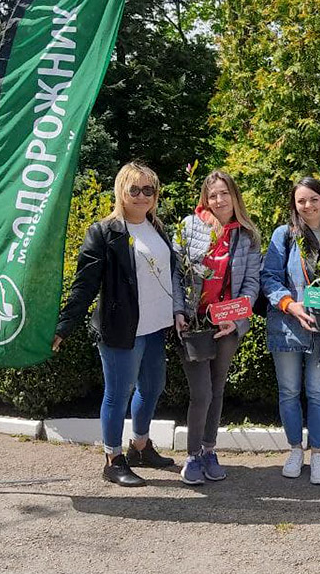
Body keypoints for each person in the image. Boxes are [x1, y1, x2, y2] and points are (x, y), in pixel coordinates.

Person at [54, 162, 185, 487]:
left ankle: (140, 446)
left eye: (148, 189)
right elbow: (84, 285)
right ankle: (112, 459)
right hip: (121, 328)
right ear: (121, 192)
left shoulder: (157, 227)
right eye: (134, 189)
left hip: (156, 327)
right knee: (118, 394)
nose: (142, 196)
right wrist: (63, 326)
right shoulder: (104, 232)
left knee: (152, 387)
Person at [175, 170, 262, 486]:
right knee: (201, 393)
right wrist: (178, 311)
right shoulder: (190, 227)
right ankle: (192, 456)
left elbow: (251, 283)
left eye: (224, 193)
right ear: (205, 199)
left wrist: (236, 318)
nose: (219, 200)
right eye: (213, 195)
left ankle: (209, 451)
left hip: (228, 323)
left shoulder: (248, 235)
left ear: (234, 196)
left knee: (217, 388)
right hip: (195, 323)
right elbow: (176, 274)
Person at [261, 177, 320, 485]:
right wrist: (290, 305)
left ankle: (319, 454)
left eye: (314, 199)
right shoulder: (284, 235)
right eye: (301, 201)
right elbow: (269, 277)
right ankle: (295, 449)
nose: (308, 206)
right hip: (288, 326)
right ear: (294, 205)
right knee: (289, 391)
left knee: (318, 392)